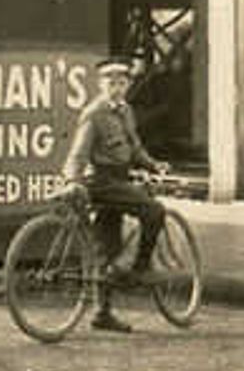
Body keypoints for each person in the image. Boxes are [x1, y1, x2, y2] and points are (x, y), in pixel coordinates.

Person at [60, 56, 165, 333]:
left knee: (107, 247)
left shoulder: (125, 111)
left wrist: (152, 164)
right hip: (102, 182)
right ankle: (140, 268)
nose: (116, 87)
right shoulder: (94, 113)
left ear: (128, 85)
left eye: (121, 82)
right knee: (155, 211)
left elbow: (134, 147)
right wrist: (71, 179)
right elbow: (78, 153)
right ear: (100, 84)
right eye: (110, 82)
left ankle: (102, 313)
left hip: (118, 181)